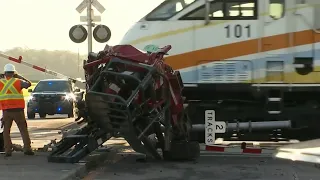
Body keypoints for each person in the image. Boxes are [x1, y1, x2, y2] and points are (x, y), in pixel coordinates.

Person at [0, 63, 34, 157]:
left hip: (6, 111)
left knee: (6, 131)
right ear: (14, 73)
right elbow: (29, 84)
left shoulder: (1, 82)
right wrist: (19, 76)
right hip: (18, 110)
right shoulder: (18, 81)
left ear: (5, 73)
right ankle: (27, 148)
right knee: (23, 129)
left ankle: (7, 150)